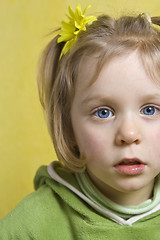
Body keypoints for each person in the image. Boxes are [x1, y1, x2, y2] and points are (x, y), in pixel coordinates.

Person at [1, 4, 160, 239]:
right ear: (68, 127)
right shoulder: (30, 227)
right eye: (103, 112)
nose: (128, 134)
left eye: (150, 109)